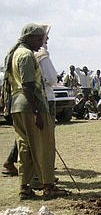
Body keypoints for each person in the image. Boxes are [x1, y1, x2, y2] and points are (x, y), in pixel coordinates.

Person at [3, 23, 69, 199]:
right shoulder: (25, 55)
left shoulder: (15, 53)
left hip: (17, 106)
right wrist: (37, 112)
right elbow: (28, 85)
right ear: (30, 37)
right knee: (44, 146)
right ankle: (48, 186)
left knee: (25, 147)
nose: (42, 42)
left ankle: (24, 187)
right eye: (39, 38)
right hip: (31, 106)